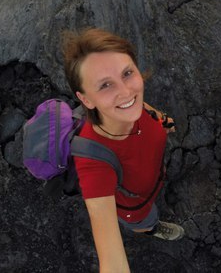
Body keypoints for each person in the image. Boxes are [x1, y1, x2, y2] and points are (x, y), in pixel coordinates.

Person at [63, 27, 184, 272]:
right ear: (86, 99)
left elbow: (142, 106)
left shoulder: (134, 107)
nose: (126, 91)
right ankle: (150, 229)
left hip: (151, 181)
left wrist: (162, 120)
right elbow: (110, 255)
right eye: (105, 85)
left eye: (127, 73)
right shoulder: (94, 162)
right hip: (134, 207)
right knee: (144, 218)